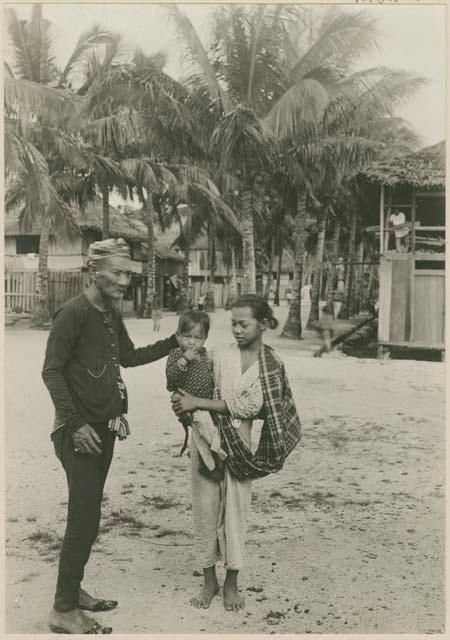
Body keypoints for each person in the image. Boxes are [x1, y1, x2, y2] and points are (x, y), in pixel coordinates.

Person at [42, 238, 180, 634]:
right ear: (93, 271)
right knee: (82, 516)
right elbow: (51, 371)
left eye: (127, 273)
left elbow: (129, 357)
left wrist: (175, 341)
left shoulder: (108, 314)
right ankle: (63, 609)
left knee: (91, 515)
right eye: (117, 272)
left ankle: (74, 589)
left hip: (103, 430)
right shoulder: (73, 314)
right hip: (77, 432)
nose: (124, 280)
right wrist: (74, 424)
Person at [172, 295, 301, 613]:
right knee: (204, 509)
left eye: (244, 324)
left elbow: (250, 407)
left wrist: (198, 403)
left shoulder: (270, 364)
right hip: (206, 439)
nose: (237, 330)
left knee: (235, 512)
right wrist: (183, 400)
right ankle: (208, 580)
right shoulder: (220, 354)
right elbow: (193, 379)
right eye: (233, 324)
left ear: (264, 324)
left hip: (241, 444)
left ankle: (231, 582)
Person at [166, 310, 225, 481]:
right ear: (178, 336)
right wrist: (183, 360)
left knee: (206, 433)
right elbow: (170, 380)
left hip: (206, 403)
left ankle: (209, 462)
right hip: (188, 404)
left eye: (197, 338)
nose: (192, 342)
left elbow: (212, 377)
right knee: (204, 430)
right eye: (187, 336)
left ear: (205, 338)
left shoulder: (205, 355)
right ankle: (215, 460)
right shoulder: (176, 355)